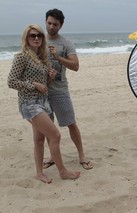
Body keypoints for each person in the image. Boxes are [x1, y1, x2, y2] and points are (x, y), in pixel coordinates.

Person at [7, 24, 80, 183]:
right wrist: (33, 85)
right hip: (29, 103)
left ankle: (39, 173)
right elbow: (11, 81)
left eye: (39, 35)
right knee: (55, 135)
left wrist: (49, 78)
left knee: (39, 140)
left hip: (43, 101)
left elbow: (43, 85)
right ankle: (62, 171)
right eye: (32, 36)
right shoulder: (21, 57)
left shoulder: (41, 58)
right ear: (26, 38)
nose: (36, 38)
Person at [43, 8, 93, 170]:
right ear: (46, 22)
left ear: (61, 25)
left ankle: (81, 156)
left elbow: (76, 66)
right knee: (48, 127)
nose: (51, 27)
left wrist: (58, 57)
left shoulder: (66, 43)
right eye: (49, 23)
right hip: (42, 93)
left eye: (55, 24)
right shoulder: (38, 40)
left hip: (60, 91)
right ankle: (52, 155)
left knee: (71, 123)